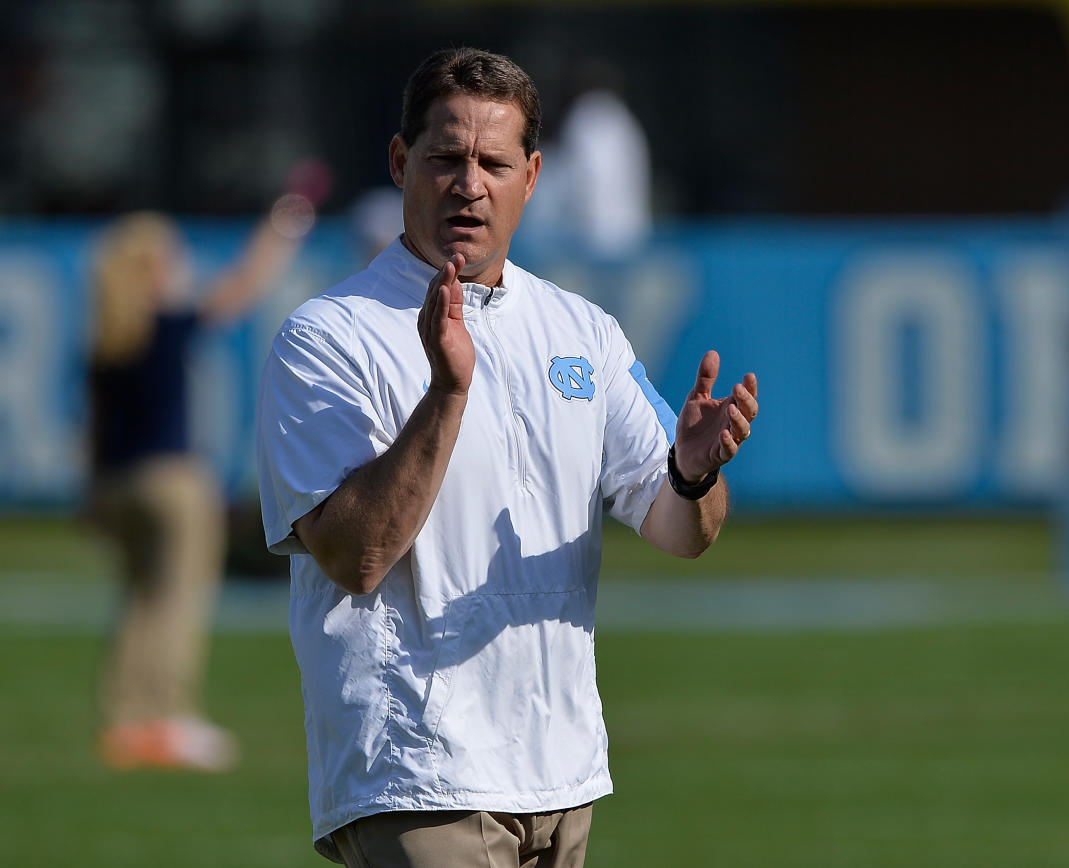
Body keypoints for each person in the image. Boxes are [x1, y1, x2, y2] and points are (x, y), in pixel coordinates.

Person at [256, 47, 758, 866]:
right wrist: (447, 395)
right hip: (416, 774)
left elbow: (680, 530)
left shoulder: (580, 330)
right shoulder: (328, 336)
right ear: (399, 162)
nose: (469, 183)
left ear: (531, 175)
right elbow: (355, 554)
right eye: (446, 158)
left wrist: (692, 473)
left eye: (493, 162)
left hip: (560, 776)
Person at [89, 184, 317, 772]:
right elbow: (243, 285)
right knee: (178, 601)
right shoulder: (162, 324)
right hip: (173, 483)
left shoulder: (108, 339)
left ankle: (125, 718)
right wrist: (285, 224)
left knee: (138, 601)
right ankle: (168, 717)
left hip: (119, 486)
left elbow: (91, 433)